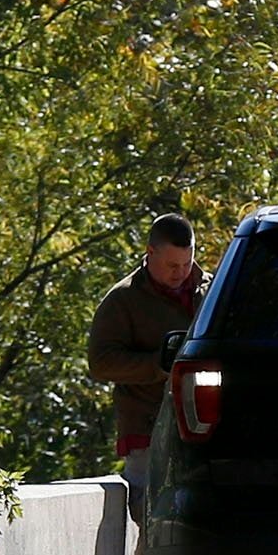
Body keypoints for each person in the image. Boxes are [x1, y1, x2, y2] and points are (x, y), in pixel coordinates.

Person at [89, 213, 206, 520]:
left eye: (187, 264)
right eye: (172, 265)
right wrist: (159, 365)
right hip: (147, 429)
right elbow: (101, 363)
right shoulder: (123, 300)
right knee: (152, 521)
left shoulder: (210, 291)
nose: (181, 273)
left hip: (205, 427)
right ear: (150, 252)